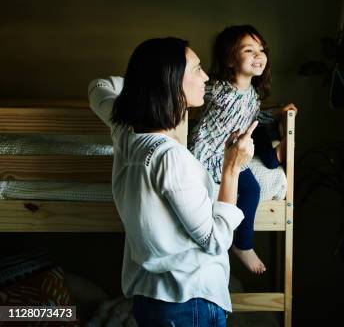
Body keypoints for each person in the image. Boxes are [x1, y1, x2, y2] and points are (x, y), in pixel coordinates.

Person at [88, 37, 256, 327]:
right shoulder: (170, 158)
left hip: (154, 300)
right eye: (197, 69)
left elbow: (97, 88)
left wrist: (145, 82)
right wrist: (232, 167)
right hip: (187, 303)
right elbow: (215, 241)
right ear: (171, 81)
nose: (206, 76)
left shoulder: (125, 131)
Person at [189, 25, 296, 274]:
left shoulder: (252, 94)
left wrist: (278, 114)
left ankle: (243, 243)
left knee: (253, 179)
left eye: (261, 49)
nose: (259, 55)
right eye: (249, 50)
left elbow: (254, 116)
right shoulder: (217, 89)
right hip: (209, 154)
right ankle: (241, 245)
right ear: (229, 59)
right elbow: (185, 91)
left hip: (234, 152)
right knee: (242, 191)